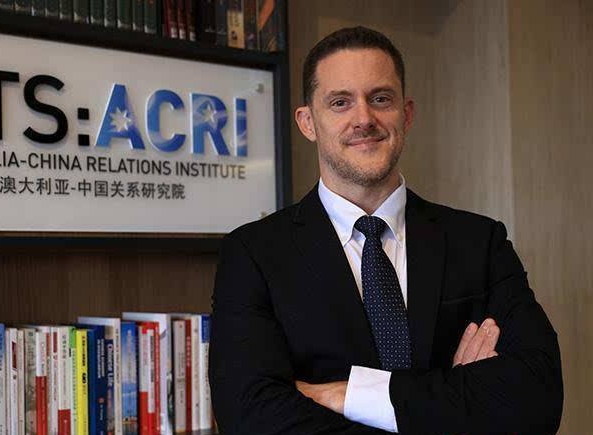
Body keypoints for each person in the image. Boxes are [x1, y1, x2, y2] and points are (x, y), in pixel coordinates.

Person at [209, 26, 563, 435]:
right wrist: (455, 401)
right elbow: (249, 417)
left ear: (406, 114)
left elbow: (538, 398)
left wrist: (351, 396)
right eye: (340, 102)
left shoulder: (480, 243)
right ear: (308, 123)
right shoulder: (253, 254)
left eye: (380, 99)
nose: (364, 119)